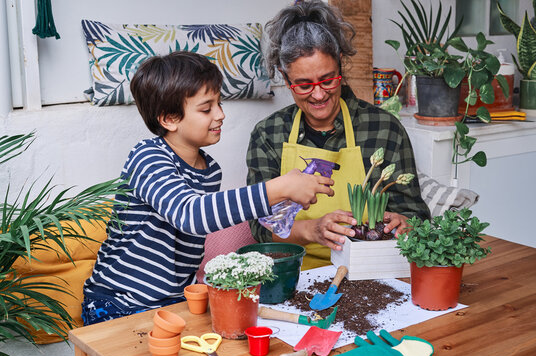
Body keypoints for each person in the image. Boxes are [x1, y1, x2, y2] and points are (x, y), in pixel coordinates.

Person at [81, 51, 334, 325]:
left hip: (174, 302)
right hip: (118, 303)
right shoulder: (147, 157)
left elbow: (212, 216)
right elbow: (191, 216)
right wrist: (280, 187)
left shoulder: (209, 169)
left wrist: (286, 200)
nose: (221, 114)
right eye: (206, 108)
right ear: (168, 119)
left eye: (219, 103)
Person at [246, 0, 430, 270]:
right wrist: (312, 230)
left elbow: (417, 216)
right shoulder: (269, 135)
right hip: (296, 274)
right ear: (287, 80)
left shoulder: (383, 128)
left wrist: (406, 223)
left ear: (341, 66)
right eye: (304, 85)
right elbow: (260, 230)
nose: (318, 95)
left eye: (327, 79)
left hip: (371, 273)